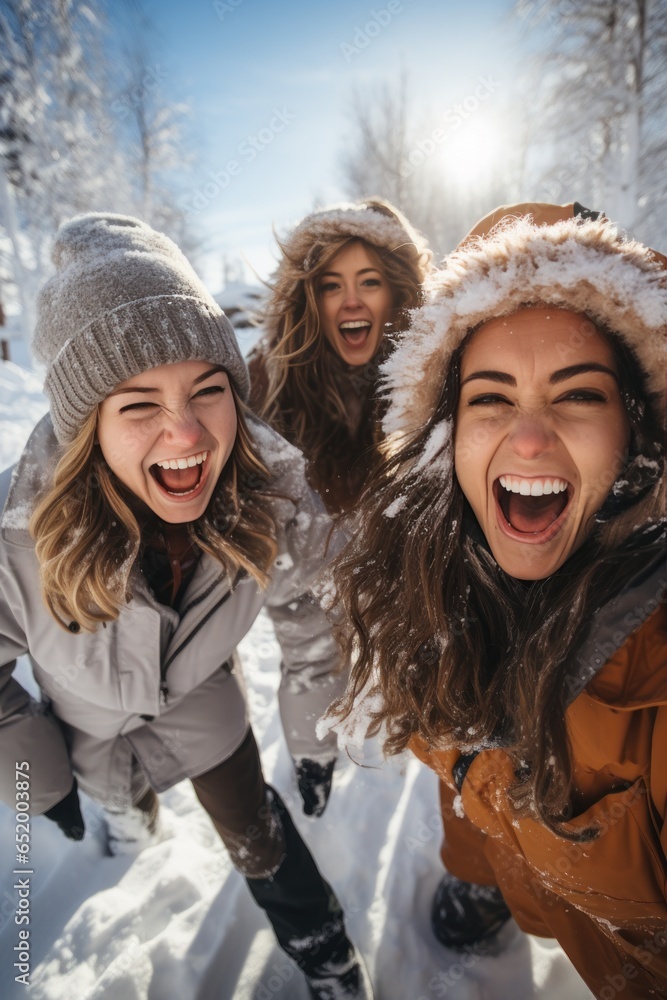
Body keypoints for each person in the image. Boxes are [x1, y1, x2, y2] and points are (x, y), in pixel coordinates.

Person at [0, 213, 373, 1000]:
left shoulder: (268, 503)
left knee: (258, 833)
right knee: (117, 800)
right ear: (84, 427)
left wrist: (309, 737)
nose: (186, 430)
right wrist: (38, 777)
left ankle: (326, 952)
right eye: (138, 404)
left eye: (209, 389)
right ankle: (126, 823)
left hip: (208, 711)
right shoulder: (16, 537)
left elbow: (306, 616)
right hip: (87, 732)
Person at [328, 203, 666, 998]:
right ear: (446, 434)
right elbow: (459, 767)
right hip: (501, 854)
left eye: (578, 395)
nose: (526, 438)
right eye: (490, 397)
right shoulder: (428, 575)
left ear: (637, 431)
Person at [249, 198, 432, 513]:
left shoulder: (433, 382)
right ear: (312, 300)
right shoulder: (265, 383)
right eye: (332, 286)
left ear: (396, 292)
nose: (351, 302)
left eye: (369, 282)